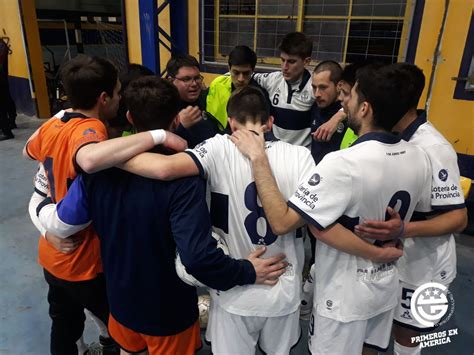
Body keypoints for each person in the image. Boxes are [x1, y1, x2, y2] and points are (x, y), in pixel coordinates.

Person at [37, 78, 288, 355]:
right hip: (168, 311)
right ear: (175, 120)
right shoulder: (184, 180)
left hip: (120, 302)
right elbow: (197, 259)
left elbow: (63, 223)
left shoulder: (96, 171)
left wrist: (41, 214)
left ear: (130, 116)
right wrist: (246, 271)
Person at [230, 64, 434, 355]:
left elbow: (282, 222)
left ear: (364, 108)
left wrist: (259, 157)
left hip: (342, 295)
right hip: (385, 282)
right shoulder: (420, 156)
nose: (343, 102)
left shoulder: (343, 163)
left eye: (349, 97)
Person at [22, 55, 186, 355]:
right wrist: (161, 136)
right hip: (83, 261)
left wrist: (46, 228)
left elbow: (27, 151)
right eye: (119, 92)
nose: (121, 98)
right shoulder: (92, 132)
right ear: (104, 97)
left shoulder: (54, 126)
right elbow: (89, 160)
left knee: (64, 324)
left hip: (52, 257)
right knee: (122, 327)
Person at [354, 63, 467, 355]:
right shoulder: (383, 135)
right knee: (373, 332)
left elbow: (458, 218)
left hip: (424, 266)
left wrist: (404, 228)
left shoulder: (434, 148)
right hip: (387, 260)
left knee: (409, 337)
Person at [206, 45, 268, 134]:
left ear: (253, 70)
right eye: (236, 72)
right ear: (229, 68)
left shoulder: (260, 95)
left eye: (246, 73)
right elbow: (209, 117)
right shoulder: (217, 85)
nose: (241, 79)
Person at [166, 54, 223, 147]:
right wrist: (180, 127)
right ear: (171, 81)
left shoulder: (205, 99)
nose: (194, 84)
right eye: (186, 79)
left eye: (197, 78)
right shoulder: (162, 108)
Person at [0, 37, 15, 140]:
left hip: (1, 80)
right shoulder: (2, 45)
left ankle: (6, 131)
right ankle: (11, 122)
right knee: (7, 102)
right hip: (3, 79)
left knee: (1, 107)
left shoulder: (1, 46)